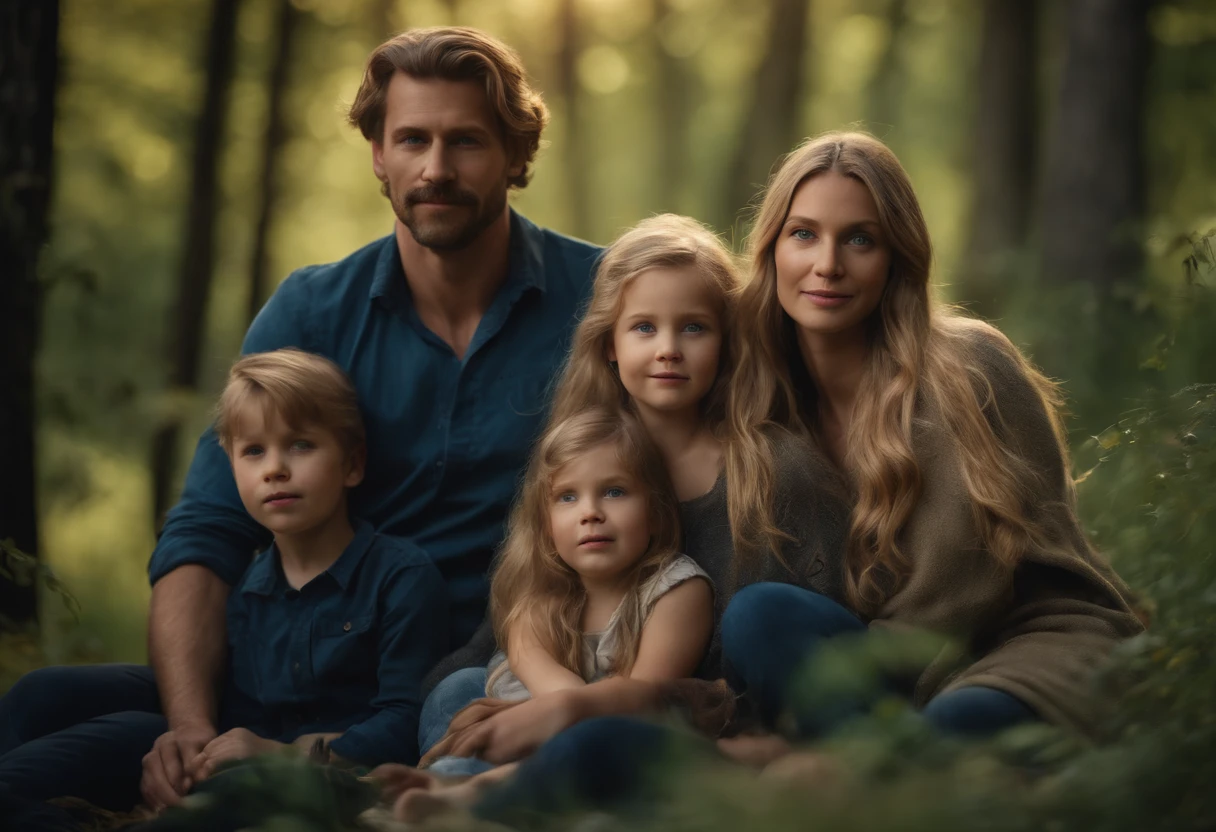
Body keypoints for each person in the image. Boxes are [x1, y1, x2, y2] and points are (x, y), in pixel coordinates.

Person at [428, 132, 1148, 822]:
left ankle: (818, 779)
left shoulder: (964, 370)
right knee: (765, 615)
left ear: (896, 256)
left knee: (946, 728)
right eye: (804, 235)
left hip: (1006, 649)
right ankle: (794, 777)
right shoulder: (763, 390)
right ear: (770, 252)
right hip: (867, 667)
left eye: (858, 239)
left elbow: (960, 596)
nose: (827, 264)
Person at [0, 25, 601, 818]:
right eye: (411, 140)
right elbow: (207, 531)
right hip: (285, 664)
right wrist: (187, 727)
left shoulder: (599, 297)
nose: (435, 169)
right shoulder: (313, 308)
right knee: (40, 702)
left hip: (431, 684)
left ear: (516, 157)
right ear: (378, 156)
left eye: (467, 143)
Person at [410, 215, 849, 804]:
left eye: (693, 328)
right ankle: (457, 796)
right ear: (609, 347)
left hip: (694, 722)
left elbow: (799, 651)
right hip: (558, 689)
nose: (668, 350)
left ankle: (484, 802)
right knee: (457, 691)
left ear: (726, 344)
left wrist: (579, 710)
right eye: (644, 327)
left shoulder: (773, 471)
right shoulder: (577, 457)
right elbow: (522, 604)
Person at [391, 406, 714, 820]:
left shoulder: (676, 591)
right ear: (545, 523)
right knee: (453, 692)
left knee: (555, 753)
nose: (590, 512)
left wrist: (526, 716)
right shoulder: (538, 596)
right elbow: (553, 692)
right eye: (567, 497)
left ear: (654, 510)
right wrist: (524, 715)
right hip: (530, 725)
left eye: (614, 491)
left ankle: (465, 789)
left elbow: (640, 700)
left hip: (611, 740)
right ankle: (452, 776)